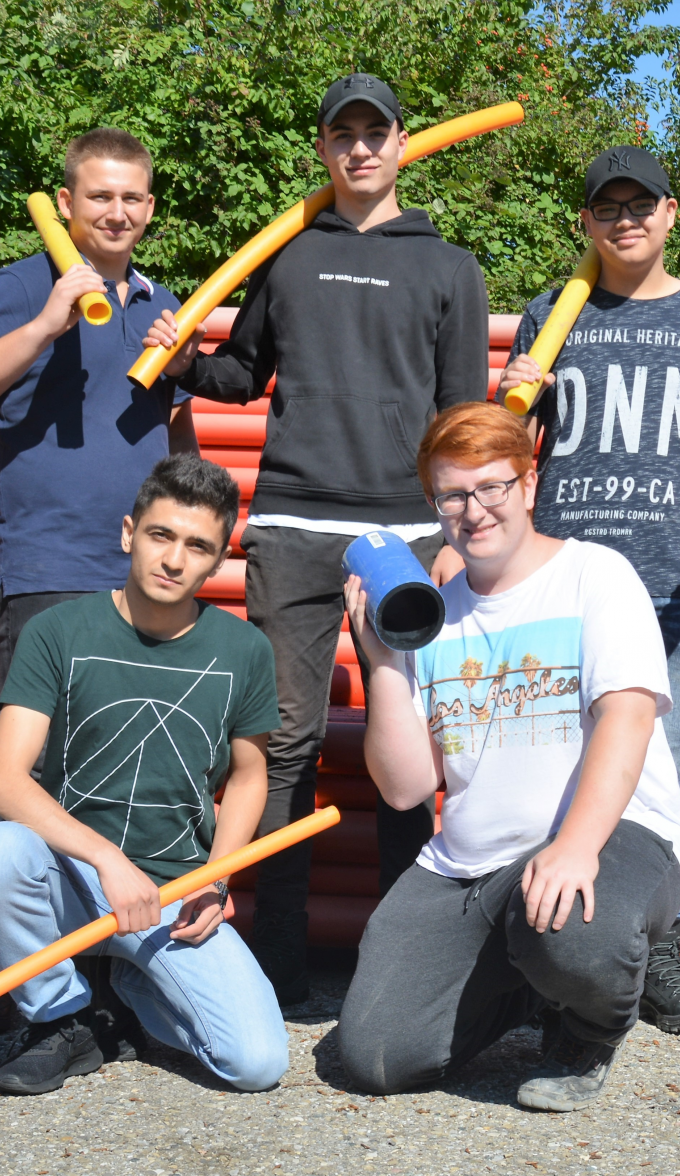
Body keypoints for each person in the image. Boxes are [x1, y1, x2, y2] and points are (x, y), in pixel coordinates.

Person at [143, 74, 488, 1004]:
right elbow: (241, 375)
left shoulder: (449, 266)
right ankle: (280, 961)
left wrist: (456, 531)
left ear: (404, 144)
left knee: (406, 740)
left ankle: (401, 964)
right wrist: (183, 360)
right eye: (345, 134)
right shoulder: (289, 255)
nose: (362, 149)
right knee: (282, 741)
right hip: (292, 524)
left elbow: (462, 413)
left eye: (377, 133)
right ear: (326, 149)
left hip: (405, 533)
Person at [337, 403, 680, 1112]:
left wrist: (575, 845)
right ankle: (538, 987)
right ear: (435, 503)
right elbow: (407, 788)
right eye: (453, 495)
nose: (474, 510)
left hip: (613, 839)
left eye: (492, 487)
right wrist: (380, 659)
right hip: (470, 867)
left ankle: (589, 1023)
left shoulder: (596, 574)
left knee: (573, 928)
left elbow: (626, 718)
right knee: (378, 1055)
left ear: (528, 486)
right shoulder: (432, 615)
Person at [0, 126, 200, 1031]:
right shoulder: (22, 283)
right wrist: (49, 318)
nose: (117, 212)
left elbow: (175, 444)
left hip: (144, 576)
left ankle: (97, 963)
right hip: (46, 567)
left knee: (115, 765)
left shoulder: (160, 301)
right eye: (99, 197)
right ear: (71, 202)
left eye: (133, 198)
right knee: (31, 771)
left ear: (150, 207)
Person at [495, 146, 680, 1037]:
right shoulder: (553, 314)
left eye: (643, 204)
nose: (626, 219)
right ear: (585, 223)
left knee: (658, 782)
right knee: (549, 770)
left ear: (673, 214)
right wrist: (513, 398)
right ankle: (537, 962)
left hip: (671, 584)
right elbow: (508, 448)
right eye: (608, 207)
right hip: (559, 583)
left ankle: (657, 951)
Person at [0, 456, 288, 1096]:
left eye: (197, 546)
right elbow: (3, 780)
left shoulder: (244, 649)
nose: (173, 559)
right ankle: (62, 1017)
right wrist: (109, 860)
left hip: (174, 888)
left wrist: (214, 880)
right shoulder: (58, 631)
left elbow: (250, 777)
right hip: (72, 873)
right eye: (160, 535)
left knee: (256, 1064)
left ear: (218, 561)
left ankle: (129, 994)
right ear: (128, 533)